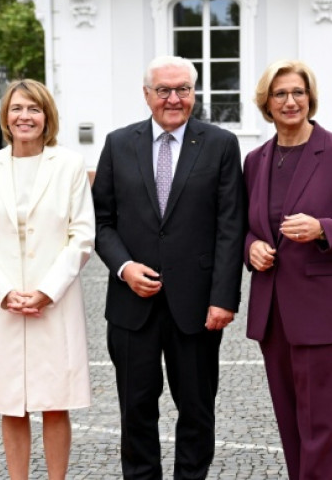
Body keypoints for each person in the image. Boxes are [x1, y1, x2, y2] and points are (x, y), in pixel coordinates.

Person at [91, 55, 246, 479]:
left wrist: (223, 298)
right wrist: (124, 267)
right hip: (131, 304)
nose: (173, 99)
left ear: (195, 93)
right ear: (147, 95)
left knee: (196, 409)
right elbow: (100, 221)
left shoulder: (220, 144)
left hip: (197, 306)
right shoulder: (118, 144)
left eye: (183, 90)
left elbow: (231, 226)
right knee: (136, 410)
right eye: (163, 90)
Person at [243, 59, 332, 479]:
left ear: (310, 98)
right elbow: (245, 228)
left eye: (298, 93)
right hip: (275, 316)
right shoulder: (256, 160)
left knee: (321, 428)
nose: (291, 101)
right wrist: (251, 248)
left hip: (327, 315)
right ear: (267, 103)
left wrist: (323, 228)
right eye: (280, 94)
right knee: (291, 425)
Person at [0, 78, 95, 480]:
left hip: (54, 301)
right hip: (4, 303)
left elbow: (82, 235)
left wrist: (46, 291)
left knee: (55, 402)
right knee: (11, 403)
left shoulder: (69, 165)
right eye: (17, 109)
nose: (25, 117)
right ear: (5, 117)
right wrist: (3, 291)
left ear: (47, 117)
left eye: (34, 109)